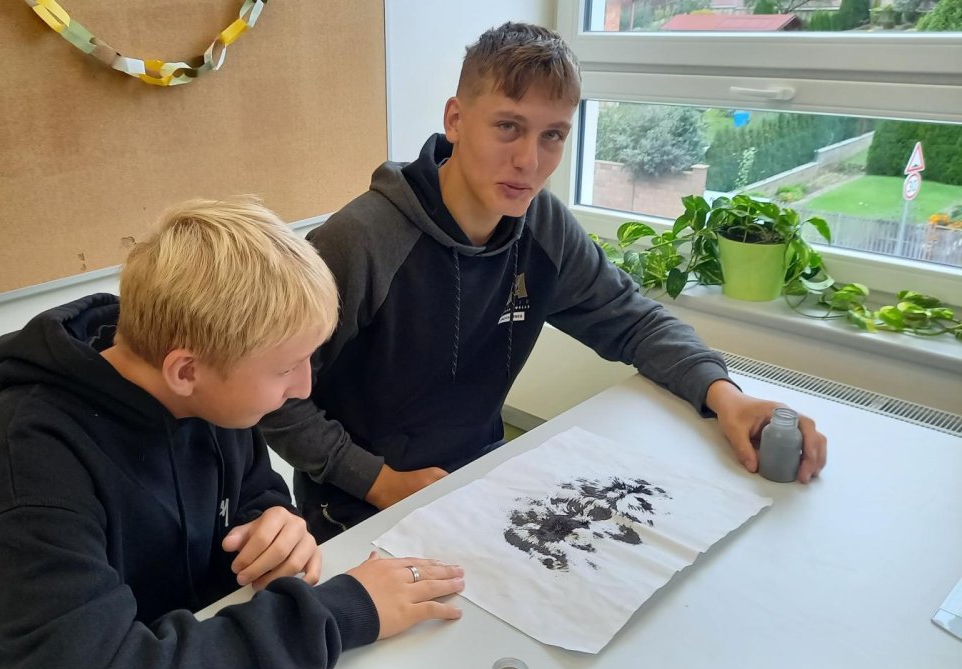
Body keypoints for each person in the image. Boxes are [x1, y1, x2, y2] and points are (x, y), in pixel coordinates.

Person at [260, 22, 828, 543]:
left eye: (552, 135)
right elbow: (268, 394)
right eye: (508, 127)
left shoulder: (543, 224)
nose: (529, 161)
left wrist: (726, 397)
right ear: (455, 120)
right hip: (357, 508)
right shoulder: (359, 241)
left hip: (481, 479)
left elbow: (633, 320)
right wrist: (378, 481)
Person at [0, 198, 465, 669]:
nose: (304, 387)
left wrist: (273, 522)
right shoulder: (30, 468)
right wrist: (342, 614)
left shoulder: (209, 399)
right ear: (186, 371)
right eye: (286, 368)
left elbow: (251, 492)